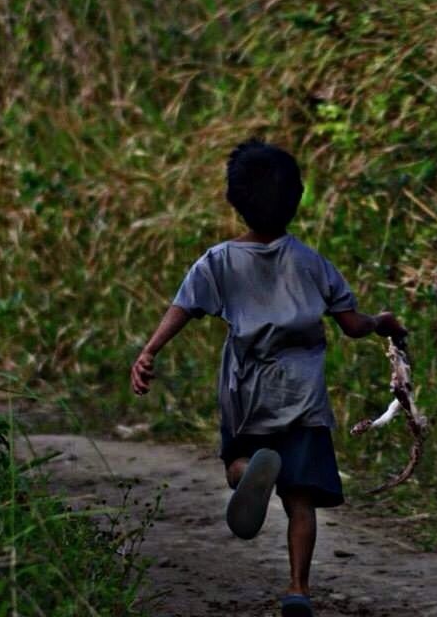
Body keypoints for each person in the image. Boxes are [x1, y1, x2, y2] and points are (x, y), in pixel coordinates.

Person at [130, 138, 406, 617]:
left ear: (234, 200)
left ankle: (246, 473)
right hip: (302, 395)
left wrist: (149, 351)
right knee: (302, 501)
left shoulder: (217, 260)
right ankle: (298, 589)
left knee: (238, 455)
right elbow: (352, 326)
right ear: (297, 199)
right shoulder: (311, 262)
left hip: (247, 389)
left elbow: (184, 308)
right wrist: (382, 321)